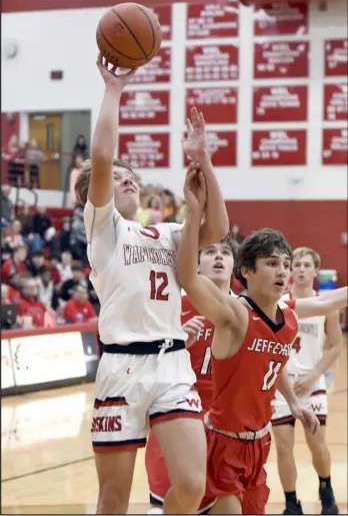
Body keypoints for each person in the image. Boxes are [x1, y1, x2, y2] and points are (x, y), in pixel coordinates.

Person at [75, 55, 229, 515]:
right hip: (122, 365)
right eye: (116, 179)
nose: (125, 181)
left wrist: (203, 160)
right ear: (92, 197)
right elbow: (102, 157)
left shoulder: (166, 233)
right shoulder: (105, 231)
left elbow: (217, 228)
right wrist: (114, 90)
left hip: (171, 362)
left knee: (190, 482)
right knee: (114, 498)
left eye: (131, 178)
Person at [176, 166, 348, 515]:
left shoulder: (287, 317)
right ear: (247, 271)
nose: (283, 271)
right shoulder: (235, 314)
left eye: (286, 264)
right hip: (223, 443)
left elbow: (272, 363)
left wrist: (295, 403)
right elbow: (189, 280)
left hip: (259, 442)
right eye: (272, 263)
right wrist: (195, 215)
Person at [145, 235, 238, 515]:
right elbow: (147, 365)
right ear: (196, 265)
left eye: (225, 252)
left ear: (235, 264)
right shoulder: (174, 305)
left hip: (226, 430)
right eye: (210, 251)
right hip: (179, 416)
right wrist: (176, 343)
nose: (219, 256)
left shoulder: (247, 310)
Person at [272, 247, 342, 515]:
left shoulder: (326, 306)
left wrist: (315, 375)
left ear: (315, 270)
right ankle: (291, 503)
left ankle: (326, 489)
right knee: (283, 447)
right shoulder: (279, 302)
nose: (300, 269)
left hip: (312, 384)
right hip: (282, 386)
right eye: (296, 265)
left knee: (317, 444)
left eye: (305, 265)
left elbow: (336, 345)